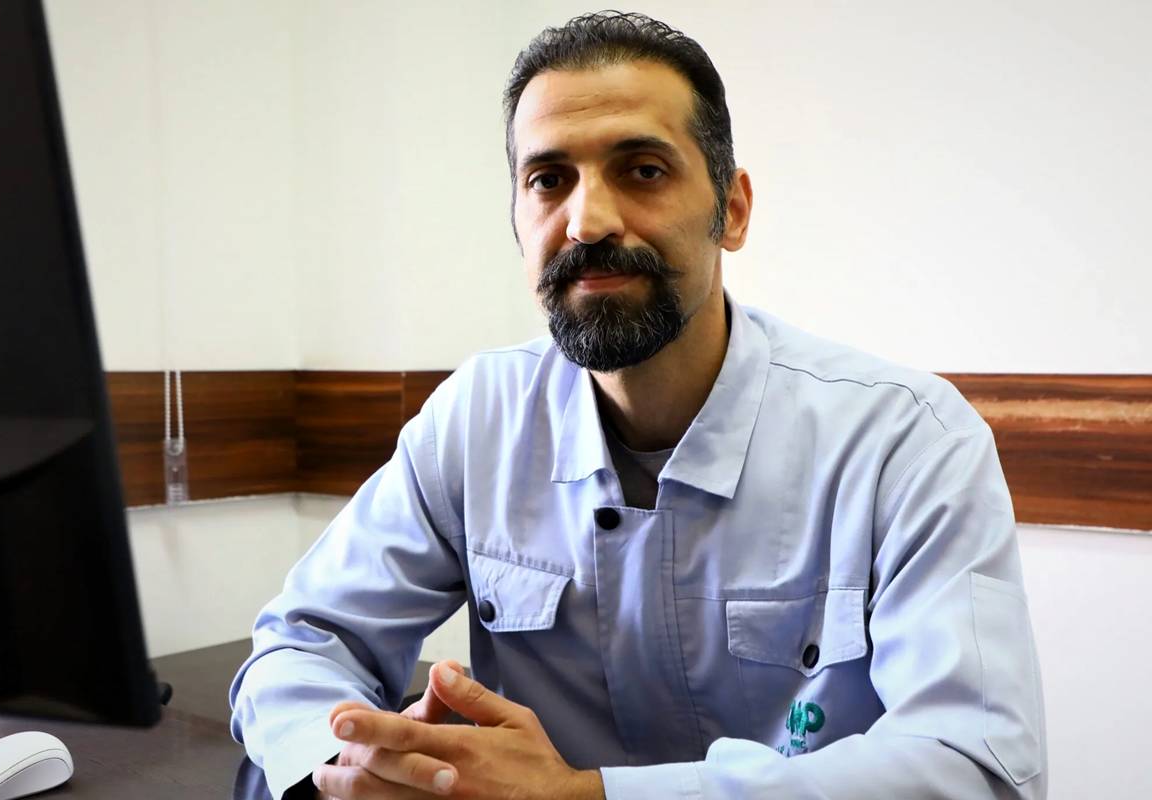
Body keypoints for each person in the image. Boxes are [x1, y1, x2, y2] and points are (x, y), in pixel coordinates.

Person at [230, 11, 1047, 800]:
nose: (587, 221)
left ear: (731, 210)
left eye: (643, 170)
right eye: (549, 180)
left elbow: (974, 770)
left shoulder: (906, 441)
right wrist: (344, 773)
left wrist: (587, 797)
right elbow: (301, 645)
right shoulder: (476, 421)